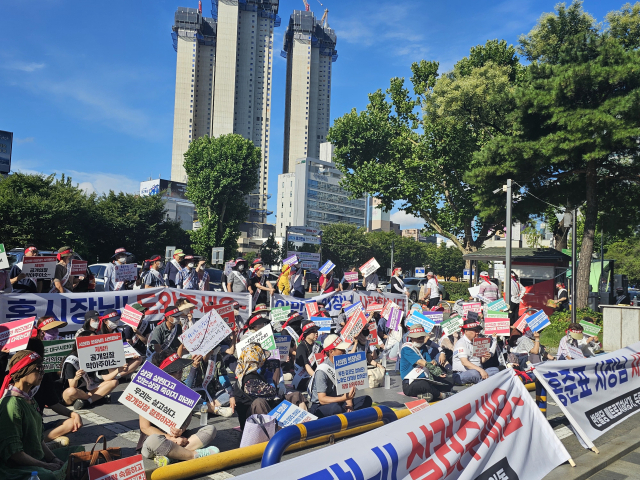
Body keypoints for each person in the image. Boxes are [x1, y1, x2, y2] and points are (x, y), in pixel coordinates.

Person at [0, 350, 84, 480]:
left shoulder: (29, 399)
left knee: (79, 452)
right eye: (38, 369)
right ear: (23, 370)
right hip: (16, 467)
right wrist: (46, 465)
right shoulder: (11, 405)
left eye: (43, 369)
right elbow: (15, 454)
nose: (42, 373)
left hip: (36, 458)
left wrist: (54, 459)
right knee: (50, 475)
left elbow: (39, 440)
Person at [137, 350, 220, 466]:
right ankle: (193, 455)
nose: (180, 372)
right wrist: (172, 438)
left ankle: (172, 457)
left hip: (180, 438)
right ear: (163, 373)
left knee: (210, 430)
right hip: (156, 441)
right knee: (153, 440)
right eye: (175, 371)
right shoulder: (148, 390)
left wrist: (182, 429)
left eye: (180, 369)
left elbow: (189, 415)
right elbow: (145, 427)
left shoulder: (183, 388)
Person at [25, 337, 84, 449]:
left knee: (72, 423)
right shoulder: (11, 382)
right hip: (19, 429)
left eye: (40, 371)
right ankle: (41, 443)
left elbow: (54, 404)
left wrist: (73, 414)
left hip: (39, 427)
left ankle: (41, 441)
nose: (39, 375)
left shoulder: (45, 377)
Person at [233, 343, 306, 429]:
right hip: (254, 421)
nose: (264, 361)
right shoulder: (248, 381)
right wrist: (271, 380)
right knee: (259, 402)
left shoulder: (257, 374)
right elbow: (271, 393)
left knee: (296, 396)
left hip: (270, 407)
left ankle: (305, 425)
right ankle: (276, 433)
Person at [308, 334, 373, 418]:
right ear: (331, 352)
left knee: (366, 399)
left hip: (339, 401)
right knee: (336, 409)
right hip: (321, 406)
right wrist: (344, 399)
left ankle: (347, 415)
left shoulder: (343, 364)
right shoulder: (322, 370)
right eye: (341, 349)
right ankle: (347, 416)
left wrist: (350, 405)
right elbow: (322, 399)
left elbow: (347, 388)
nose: (344, 351)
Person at [60, 331, 122, 410]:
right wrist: (76, 377)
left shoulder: (96, 356)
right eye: (92, 339)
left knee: (114, 382)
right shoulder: (72, 359)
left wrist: (118, 370)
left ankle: (88, 401)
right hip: (75, 392)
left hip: (90, 389)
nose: (95, 341)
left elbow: (105, 378)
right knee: (71, 391)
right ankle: (97, 398)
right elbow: (72, 385)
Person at [399, 325, 455, 401]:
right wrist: (435, 369)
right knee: (423, 384)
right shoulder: (406, 349)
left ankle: (427, 394)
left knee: (448, 381)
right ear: (411, 338)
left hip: (427, 378)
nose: (420, 340)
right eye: (418, 338)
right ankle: (441, 395)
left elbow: (430, 362)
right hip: (411, 383)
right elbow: (421, 363)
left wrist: (435, 366)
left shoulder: (423, 347)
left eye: (422, 337)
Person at [451, 319, 500, 385]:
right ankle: (484, 384)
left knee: (495, 370)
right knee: (474, 374)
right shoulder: (461, 343)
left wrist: (486, 356)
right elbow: (465, 362)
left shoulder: (477, 342)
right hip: (462, 373)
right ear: (466, 331)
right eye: (475, 331)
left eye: (478, 331)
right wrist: (481, 370)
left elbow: (481, 361)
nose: (478, 333)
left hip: (478, 371)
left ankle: (483, 382)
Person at [293, 320, 320, 391]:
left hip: (313, 375)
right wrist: (318, 378)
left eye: (316, 330)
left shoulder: (317, 346)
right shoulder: (301, 347)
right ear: (306, 333)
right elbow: (306, 366)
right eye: (313, 331)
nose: (316, 333)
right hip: (302, 378)